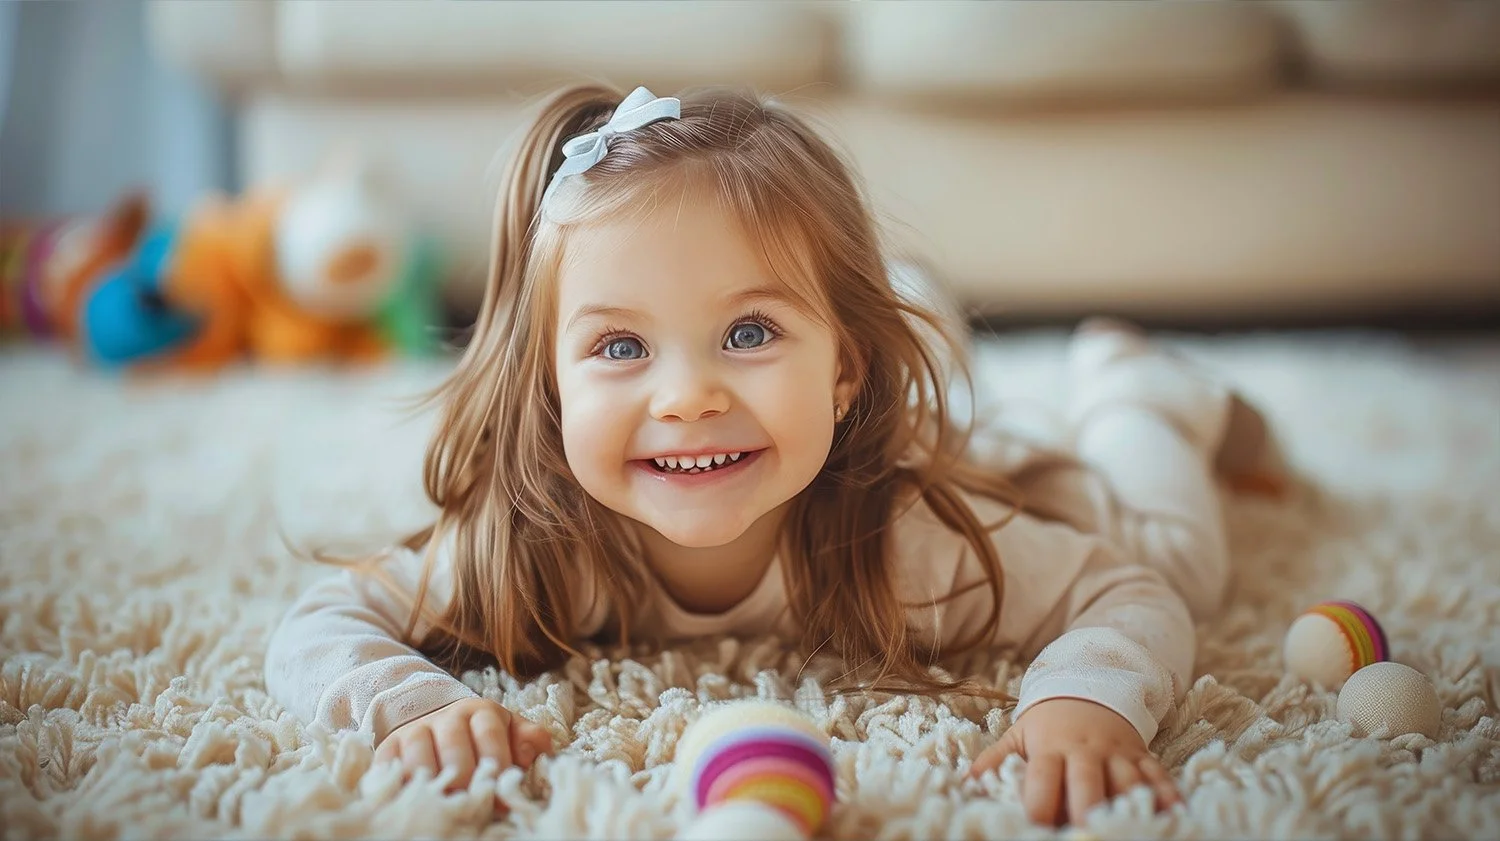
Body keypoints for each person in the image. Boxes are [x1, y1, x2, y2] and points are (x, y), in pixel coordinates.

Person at [263, 83, 1288, 828]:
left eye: (746, 333)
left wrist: (1082, 700)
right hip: (857, 379)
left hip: (941, 457)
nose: (687, 394)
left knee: (1187, 570)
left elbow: (1130, 595)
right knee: (899, 342)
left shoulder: (915, 551)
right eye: (620, 347)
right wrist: (416, 707)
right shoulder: (537, 550)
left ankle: (1136, 394)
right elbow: (322, 622)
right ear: (550, 389)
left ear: (843, 375)